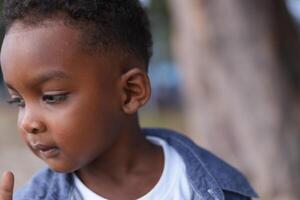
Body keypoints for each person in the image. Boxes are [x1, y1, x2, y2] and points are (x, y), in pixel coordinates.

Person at [0, 0, 258, 200]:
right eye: (18, 101)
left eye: (52, 97)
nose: (28, 123)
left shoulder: (221, 187)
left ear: (130, 93)